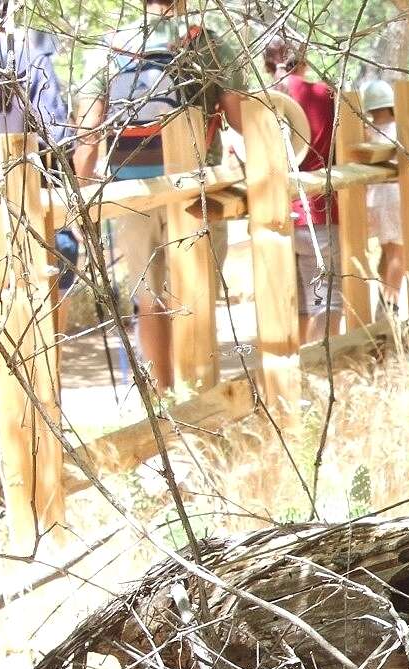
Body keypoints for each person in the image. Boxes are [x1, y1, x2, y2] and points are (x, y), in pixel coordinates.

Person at [74, 0, 245, 391]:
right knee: (196, 292)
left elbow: (88, 132)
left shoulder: (109, 46)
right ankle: (199, 395)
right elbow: (241, 119)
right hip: (195, 186)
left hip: (132, 190)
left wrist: (81, 197)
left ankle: (163, 397)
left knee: (148, 300)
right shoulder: (210, 43)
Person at [0, 0, 73, 471]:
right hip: (12, 206)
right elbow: (54, 127)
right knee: (22, 318)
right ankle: (36, 450)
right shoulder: (26, 46)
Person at [263, 37, 340, 344]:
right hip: (319, 211)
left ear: (268, 66)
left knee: (294, 305)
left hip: (275, 218)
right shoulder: (326, 95)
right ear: (304, 61)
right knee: (326, 302)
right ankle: (324, 370)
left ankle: (296, 376)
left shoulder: (261, 100)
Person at [360, 78, 402, 314]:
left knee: (387, 252)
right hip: (395, 194)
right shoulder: (400, 128)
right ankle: (390, 307)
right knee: (398, 253)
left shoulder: (367, 132)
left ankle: (383, 301)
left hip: (374, 197)